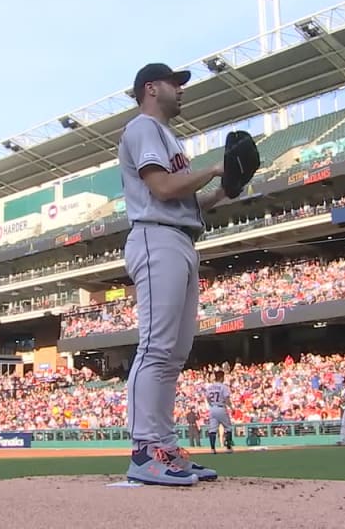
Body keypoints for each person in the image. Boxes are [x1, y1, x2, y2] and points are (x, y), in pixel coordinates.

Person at [119, 63, 230, 486]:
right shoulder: (143, 127)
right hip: (155, 237)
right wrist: (214, 169)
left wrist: (224, 191)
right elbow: (163, 189)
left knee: (175, 352)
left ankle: (164, 447)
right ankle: (145, 450)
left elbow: (186, 204)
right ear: (151, 88)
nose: (181, 90)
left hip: (179, 238)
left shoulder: (168, 136)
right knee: (156, 346)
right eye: (174, 83)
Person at [205, 370, 235, 454]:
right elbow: (226, 399)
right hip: (221, 407)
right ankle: (228, 448)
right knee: (228, 427)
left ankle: (212, 449)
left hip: (212, 408)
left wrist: (211, 405)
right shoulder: (223, 387)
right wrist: (232, 408)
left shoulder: (210, 387)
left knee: (212, 429)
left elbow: (207, 398)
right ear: (222, 377)